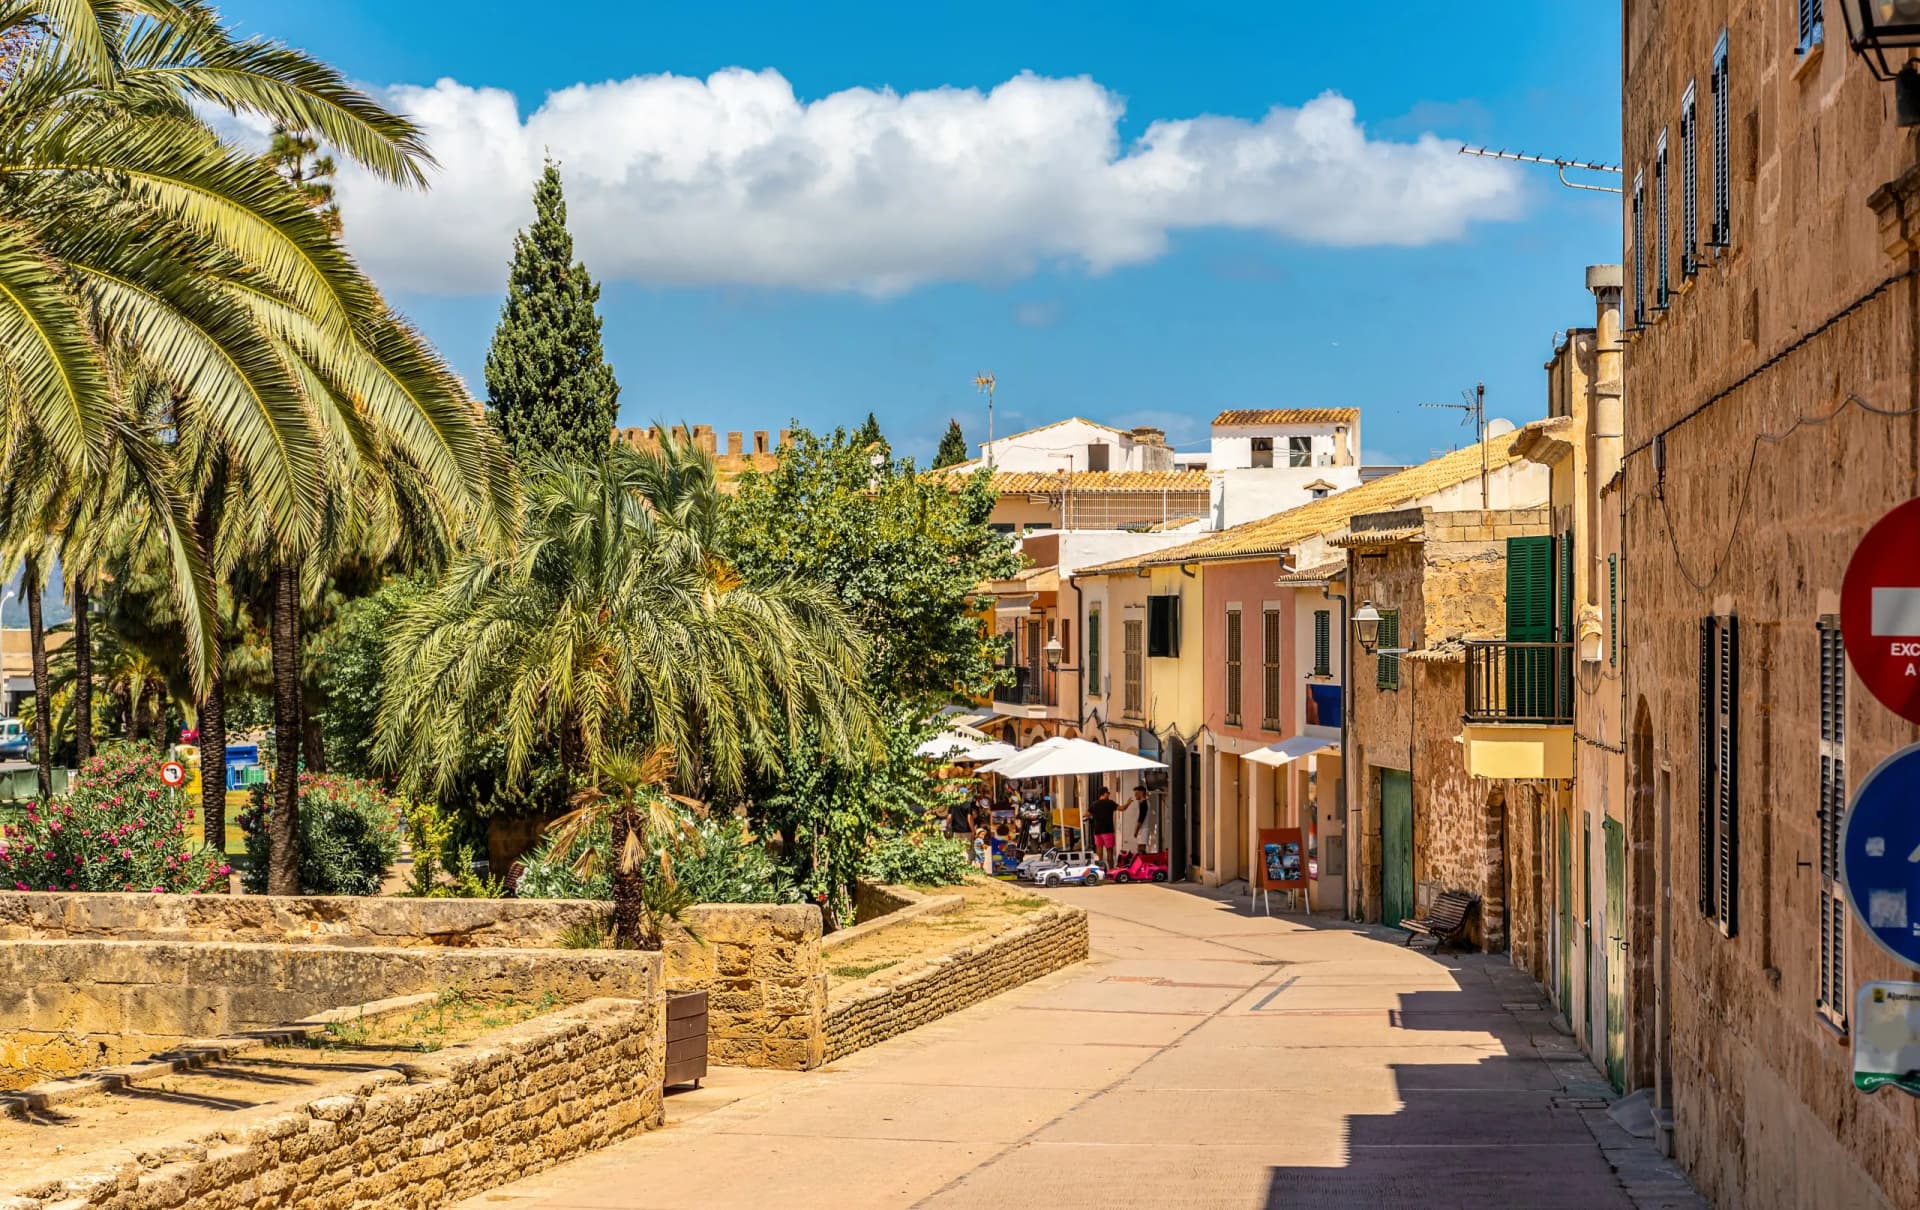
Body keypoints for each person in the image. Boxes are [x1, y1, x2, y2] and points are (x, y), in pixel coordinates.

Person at [1089, 784, 1121, 867]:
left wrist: (1094, 815)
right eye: (1108, 793)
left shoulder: (1094, 804)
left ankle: (1100, 870)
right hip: (1108, 830)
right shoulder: (1110, 803)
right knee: (1109, 851)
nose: (1109, 794)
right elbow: (1122, 808)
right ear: (1105, 793)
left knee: (1099, 852)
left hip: (1097, 831)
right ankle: (1111, 869)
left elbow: (1086, 814)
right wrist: (1128, 803)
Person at [1129, 784, 1153, 852]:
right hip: (1142, 829)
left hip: (1143, 829)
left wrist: (1136, 831)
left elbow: (1141, 818)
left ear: (1141, 792)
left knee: (1141, 849)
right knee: (1139, 848)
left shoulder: (1144, 804)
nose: (1135, 795)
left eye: (1136, 793)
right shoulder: (1142, 803)